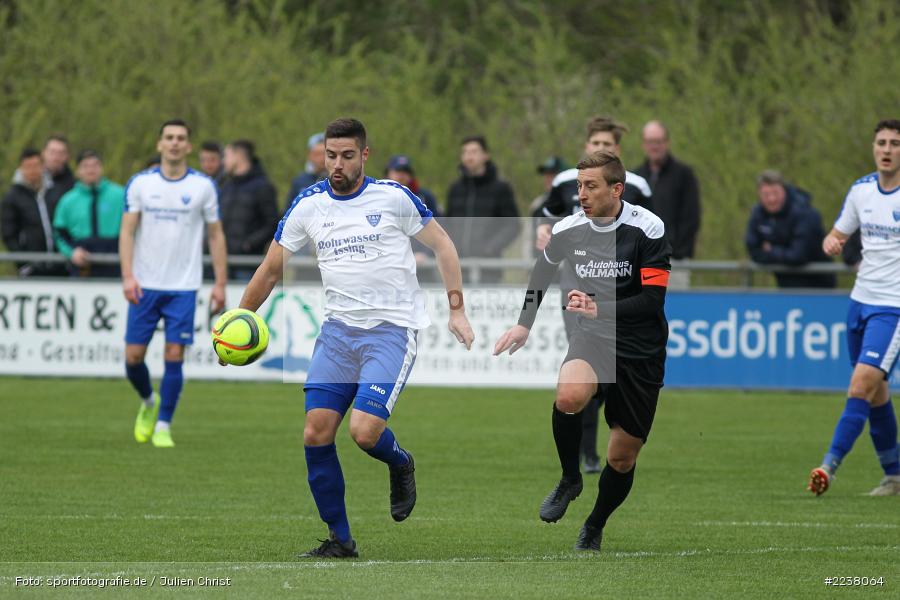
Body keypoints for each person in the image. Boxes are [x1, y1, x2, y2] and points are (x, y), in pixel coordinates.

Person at [233, 118, 474, 558]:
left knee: (364, 432)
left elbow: (443, 245)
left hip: (391, 331)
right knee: (315, 432)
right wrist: (238, 319)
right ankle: (340, 540)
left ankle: (400, 462)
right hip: (338, 335)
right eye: (331, 155)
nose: (337, 164)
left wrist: (456, 309)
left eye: (347, 155)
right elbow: (269, 270)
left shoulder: (393, 197)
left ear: (364, 155)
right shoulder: (308, 205)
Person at [495, 151, 671, 552]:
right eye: (579, 186)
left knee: (621, 458)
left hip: (641, 348)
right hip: (593, 336)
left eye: (591, 186)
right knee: (569, 396)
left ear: (617, 189)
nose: (582, 194)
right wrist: (524, 323)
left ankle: (595, 523)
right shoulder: (568, 229)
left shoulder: (648, 228)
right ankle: (570, 478)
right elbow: (542, 272)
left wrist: (600, 307)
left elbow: (652, 301)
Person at [535, 117, 653, 473]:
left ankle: (605, 443)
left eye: (608, 144)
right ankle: (586, 453)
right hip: (576, 285)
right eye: (596, 143)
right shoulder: (564, 181)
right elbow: (544, 217)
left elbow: (651, 233)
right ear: (587, 146)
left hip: (621, 292)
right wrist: (543, 230)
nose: (601, 148)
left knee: (608, 377)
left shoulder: (638, 187)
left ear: (617, 150)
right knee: (583, 364)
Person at [119, 119, 227, 449]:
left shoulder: (203, 186)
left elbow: (215, 235)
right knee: (133, 358)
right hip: (144, 285)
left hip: (183, 286)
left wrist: (220, 283)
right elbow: (127, 231)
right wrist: (127, 275)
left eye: (181, 138)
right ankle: (149, 401)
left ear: (188, 146)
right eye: (169, 137)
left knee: (174, 353)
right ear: (160, 144)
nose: (175, 143)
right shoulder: (140, 184)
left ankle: (164, 424)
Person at [809, 119, 900, 497]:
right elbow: (837, 234)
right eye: (882, 142)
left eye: (895, 143)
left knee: (861, 385)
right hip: (859, 302)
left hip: (893, 309)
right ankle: (894, 476)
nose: (887, 149)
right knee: (875, 392)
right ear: (873, 148)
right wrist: (831, 243)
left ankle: (828, 467)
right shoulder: (861, 190)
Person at [444, 135, 520, 283]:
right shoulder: (455, 189)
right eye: (465, 152)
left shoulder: (501, 188)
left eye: (474, 151)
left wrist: (489, 249)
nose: (469, 156)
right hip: (458, 268)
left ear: (486, 155)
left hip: (488, 269)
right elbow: (447, 223)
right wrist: (450, 248)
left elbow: (513, 225)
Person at [745, 170, 836, 288]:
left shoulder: (805, 213)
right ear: (759, 195)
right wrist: (783, 254)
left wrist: (771, 250)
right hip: (785, 285)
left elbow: (799, 255)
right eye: (766, 194)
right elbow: (753, 251)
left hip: (818, 286)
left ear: (784, 190)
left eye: (775, 193)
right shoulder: (758, 214)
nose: (772, 199)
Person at [634, 120, 701, 260]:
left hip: (674, 258)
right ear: (643, 144)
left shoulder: (684, 175)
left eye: (658, 141)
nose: (654, 146)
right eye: (650, 142)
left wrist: (676, 251)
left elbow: (691, 217)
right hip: (641, 257)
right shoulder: (636, 177)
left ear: (667, 143)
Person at [52, 150, 124, 277]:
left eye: (95, 165)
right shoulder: (67, 201)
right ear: (78, 171)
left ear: (102, 168)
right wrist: (71, 252)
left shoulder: (120, 195)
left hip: (115, 262)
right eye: (85, 166)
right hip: (82, 266)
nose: (91, 170)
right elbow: (59, 233)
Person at [1, 148, 67, 276]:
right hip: (32, 267)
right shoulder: (12, 197)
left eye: (36, 165)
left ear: (42, 166)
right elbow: (9, 235)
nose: (32, 170)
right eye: (28, 166)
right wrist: (23, 264)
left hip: (60, 264)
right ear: (21, 168)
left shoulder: (56, 192)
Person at [220, 139, 279, 279]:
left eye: (226, 156)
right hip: (224, 262)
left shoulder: (263, 187)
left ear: (238, 156)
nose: (223, 161)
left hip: (248, 264)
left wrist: (249, 244)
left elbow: (272, 223)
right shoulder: (227, 186)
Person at [384, 154, 441, 269]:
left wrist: (426, 253)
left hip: (423, 262)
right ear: (388, 173)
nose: (402, 175)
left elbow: (439, 230)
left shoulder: (425, 197)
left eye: (406, 171)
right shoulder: (378, 198)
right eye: (397, 171)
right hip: (389, 262)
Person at [286, 132, 327, 204]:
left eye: (325, 154)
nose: (322, 158)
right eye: (317, 154)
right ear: (309, 155)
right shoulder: (300, 182)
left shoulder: (337, 180)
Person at [42, 134, 76, 208]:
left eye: (61, 153)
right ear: (44, 153)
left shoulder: (73, 187)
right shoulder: (32, 181)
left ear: (67, 156)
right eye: (52, 152)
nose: (56, 158)